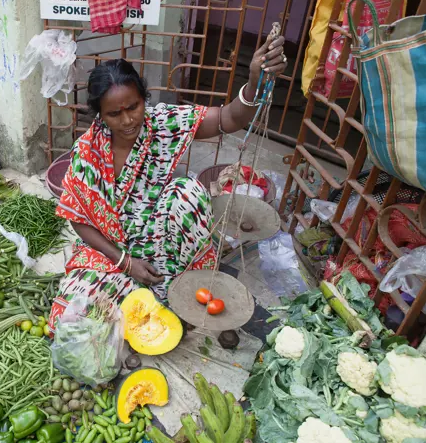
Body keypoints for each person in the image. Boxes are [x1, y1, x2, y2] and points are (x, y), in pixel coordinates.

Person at [50, 34, 288, 328]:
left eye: (133, 107)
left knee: (186, 193)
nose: (127, 121)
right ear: (99, 116)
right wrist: (126, 263)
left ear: (144, 99)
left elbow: (229, 119)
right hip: (111, 250)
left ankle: (176, 283)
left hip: (158, 237)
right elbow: (77, 218)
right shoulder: (88, 153)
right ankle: (143, 287)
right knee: (73, 317)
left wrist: (254, 83)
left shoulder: (162, 124)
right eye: (114, 114)